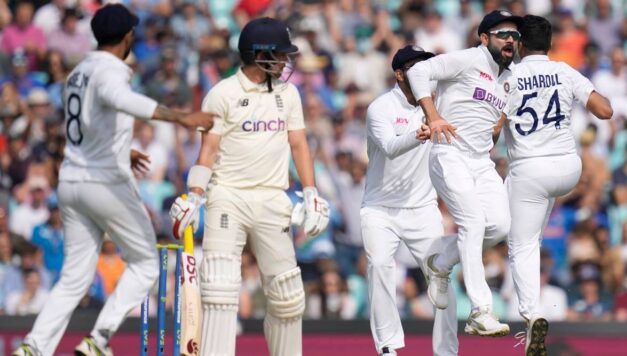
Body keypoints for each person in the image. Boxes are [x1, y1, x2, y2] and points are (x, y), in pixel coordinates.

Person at [12, 4, 214, 356]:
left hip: (72, 182)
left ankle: (32, 347)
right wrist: (181, 117)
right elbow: (121, 99)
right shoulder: (112, 70)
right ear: (127, 36)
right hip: (103, 182)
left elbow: (91, 121)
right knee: (147, 262)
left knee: (73, 279)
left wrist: (123, 151)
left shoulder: (79, 72)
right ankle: (99, 339)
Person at [169, 17, 330, 356]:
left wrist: (312, 192)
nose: (286, 62)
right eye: (281, 55)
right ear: (260, 55)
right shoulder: (222, 94)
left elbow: (299, 144)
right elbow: (208, 150)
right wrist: (195, 196)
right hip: (228, 196)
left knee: (288, 296)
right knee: (220, 290)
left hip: (273, 198)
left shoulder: (289, 94)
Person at [495, 15, 612, 355]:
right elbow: (604, 110)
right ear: (548, 44)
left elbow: (491, 130)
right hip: (568, 168)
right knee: (531, 233)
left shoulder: (510, 76)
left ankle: (532, 316)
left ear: (519, 44)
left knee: (521, 245)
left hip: (531, 170)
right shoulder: (563, 70)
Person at [406, 10, 522, 336]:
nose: (510, 39)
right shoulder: (469, 59)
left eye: (515, 35)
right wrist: (433, 115)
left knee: (499, 226)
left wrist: (493, 135)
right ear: (484, 38)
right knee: (472, 222)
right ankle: (481, 311)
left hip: (481, 161)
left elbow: (495, 118)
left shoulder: (510, 78)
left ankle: (440, 261)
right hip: (449, 151)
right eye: (502, 34)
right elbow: (418, 71)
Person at [361, 45, 458, 356]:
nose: (422, 74)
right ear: (400, 74)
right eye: (415, 68)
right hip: (379, 209)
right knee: (378, 266)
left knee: (440, 277)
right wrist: (423, 131)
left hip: (421, 208)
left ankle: (446, 350)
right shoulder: (380, 108)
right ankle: (388, 346)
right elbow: (389, 146)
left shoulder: (435, 103)